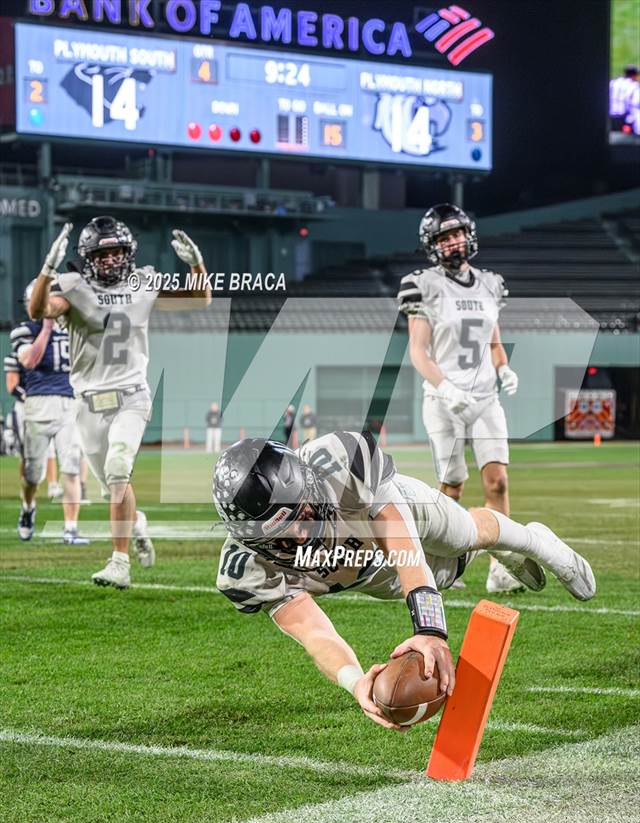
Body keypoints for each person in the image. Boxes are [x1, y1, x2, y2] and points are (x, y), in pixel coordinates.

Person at [213, 431, 595, 729]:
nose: (300, 533)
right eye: (279, 532)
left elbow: (406, 553)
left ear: (309, 483)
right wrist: (356, 681)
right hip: (364, 568)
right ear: (251, 539)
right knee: (450, 570)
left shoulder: (341, 466)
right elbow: (315, 633)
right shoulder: (249, 568)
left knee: (461, 534)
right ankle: (498, 549)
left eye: (301, 512)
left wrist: (430, 630)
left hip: (401, 513)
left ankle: (534, 540)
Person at [29, 216, 211, 588]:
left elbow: (200, 299)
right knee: (114, 486)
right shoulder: (74, 286)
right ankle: (137, 523)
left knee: (117, 471)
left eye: (117, 251)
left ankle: (119, 562)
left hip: (131, 395)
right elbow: (37, 310)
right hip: (87, 405)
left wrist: (196, 265)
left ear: (128, 253)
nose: (111, 259)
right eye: (103, 252)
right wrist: (48, 270)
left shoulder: (142, 281)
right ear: (88, 256)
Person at [398, 203, 522, 595]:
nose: (453, 242)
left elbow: (494, 341)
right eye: (443, 237)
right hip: (443, 398)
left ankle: (501, 567)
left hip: (485, 397)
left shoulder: (490, 283)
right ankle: (441, 565)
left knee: (498, 481)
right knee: (451, 486)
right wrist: (447, 387)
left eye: (457, 234)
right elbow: (419, 351)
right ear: (432, 245)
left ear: (469, 234)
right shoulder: (423, 284)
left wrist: (503, 368)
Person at [10, 282, 87, 544]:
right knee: (33, 474)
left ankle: (70, 529)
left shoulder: (73, 330)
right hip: (38, 404)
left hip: (70, 404)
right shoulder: (24, 331)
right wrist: (46, 328)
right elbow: (30, 360)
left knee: (72, 467)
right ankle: (28, 508)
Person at [610, 65, 639, 136]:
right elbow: (635, 104)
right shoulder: (634, 85)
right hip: (625, 121)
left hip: (609, 118)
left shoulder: (612, 83)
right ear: (635, 75)